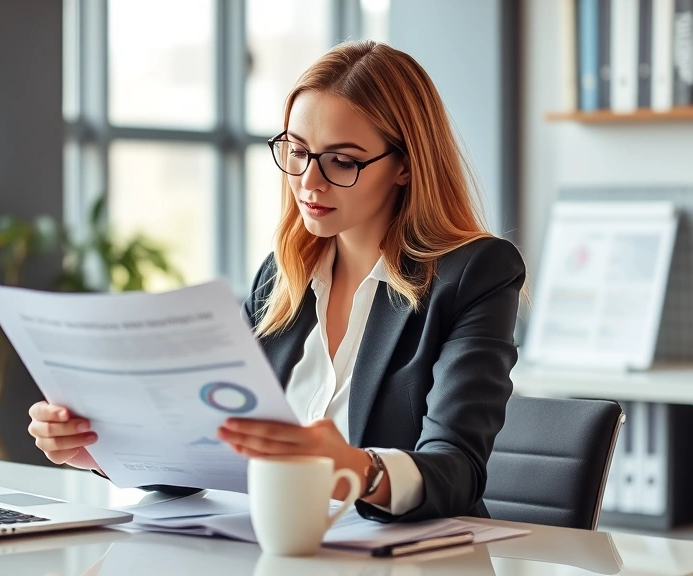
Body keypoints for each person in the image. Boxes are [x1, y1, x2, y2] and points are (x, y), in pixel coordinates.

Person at [26, 40, 525, 523]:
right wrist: (100, 448)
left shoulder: (474, 274)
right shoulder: (282, 277)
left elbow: (457, 472)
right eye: (297, 150)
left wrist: (351, 467)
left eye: (342, 161)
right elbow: (213, 449)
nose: (309, 180)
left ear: (404, 166)